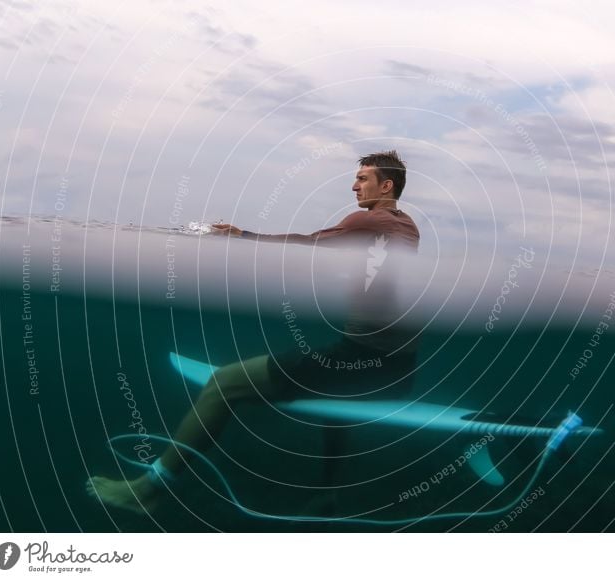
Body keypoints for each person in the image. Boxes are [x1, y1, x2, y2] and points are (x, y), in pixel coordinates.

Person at [86, 150, 422, 515]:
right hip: (399, 372)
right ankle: (329, 493)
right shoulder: (407, 227)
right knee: (334, 404)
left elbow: (309, 242)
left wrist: (241, 235)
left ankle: (149, 490)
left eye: (363, 178)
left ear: (386, 185)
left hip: (361, 358)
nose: (353, 185)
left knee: (224, 384)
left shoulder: (369, 221)